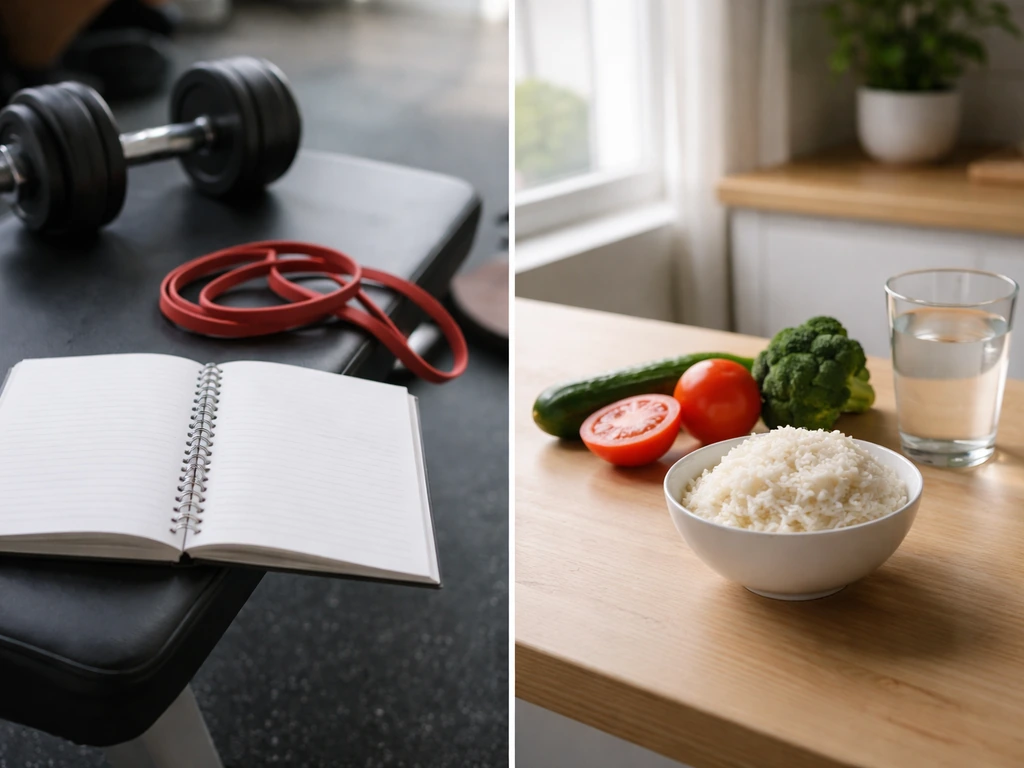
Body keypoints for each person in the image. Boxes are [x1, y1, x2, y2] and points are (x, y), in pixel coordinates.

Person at [0, 0, 179, 103]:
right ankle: (61, 64)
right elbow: (32, 59)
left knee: (162, 23)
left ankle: (67, 55)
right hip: (22, 53)